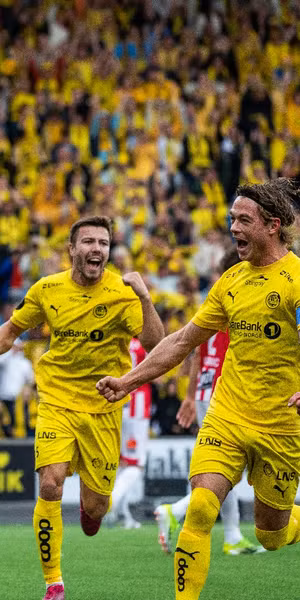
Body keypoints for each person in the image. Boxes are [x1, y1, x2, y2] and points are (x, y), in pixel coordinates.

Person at [97, 179, 300, 600]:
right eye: (231, 219)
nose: (234, 228)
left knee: (270, 536)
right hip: (226, 414)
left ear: (273, 225)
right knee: (203, 506)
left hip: (282, 425)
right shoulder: (230, 281)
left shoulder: (296, 280)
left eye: (244, 220)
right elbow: (182, 341)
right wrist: (128, 381)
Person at [0, 215, 165, 600]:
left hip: (103, 406)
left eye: (103, 243)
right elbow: (13, 327)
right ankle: (54, 582)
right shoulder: (48, 289)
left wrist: (145, 299)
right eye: (89, 242)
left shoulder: (121, 293)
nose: (96, 249)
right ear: (72, 248)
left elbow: (156, 345)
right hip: (56, 400)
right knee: (50, 483)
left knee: (97, 507)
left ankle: (91, 510)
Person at [153, 249, 264, 556]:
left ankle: (230, 535)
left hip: (205, 389)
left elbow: (198, 346)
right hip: (225, 390)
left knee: (225, 465)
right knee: (230, 466)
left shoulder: (214, 296)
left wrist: (190, 396)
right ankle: (178, 511)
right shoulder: (242, 293)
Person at [105, 338, 152, 530]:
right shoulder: (142, 346)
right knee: (136, 464)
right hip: (137, 406)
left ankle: (124, 516)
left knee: (123, 463)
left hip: (117, 404)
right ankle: (111, 501)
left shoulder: (118, 340)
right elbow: (155, 372)